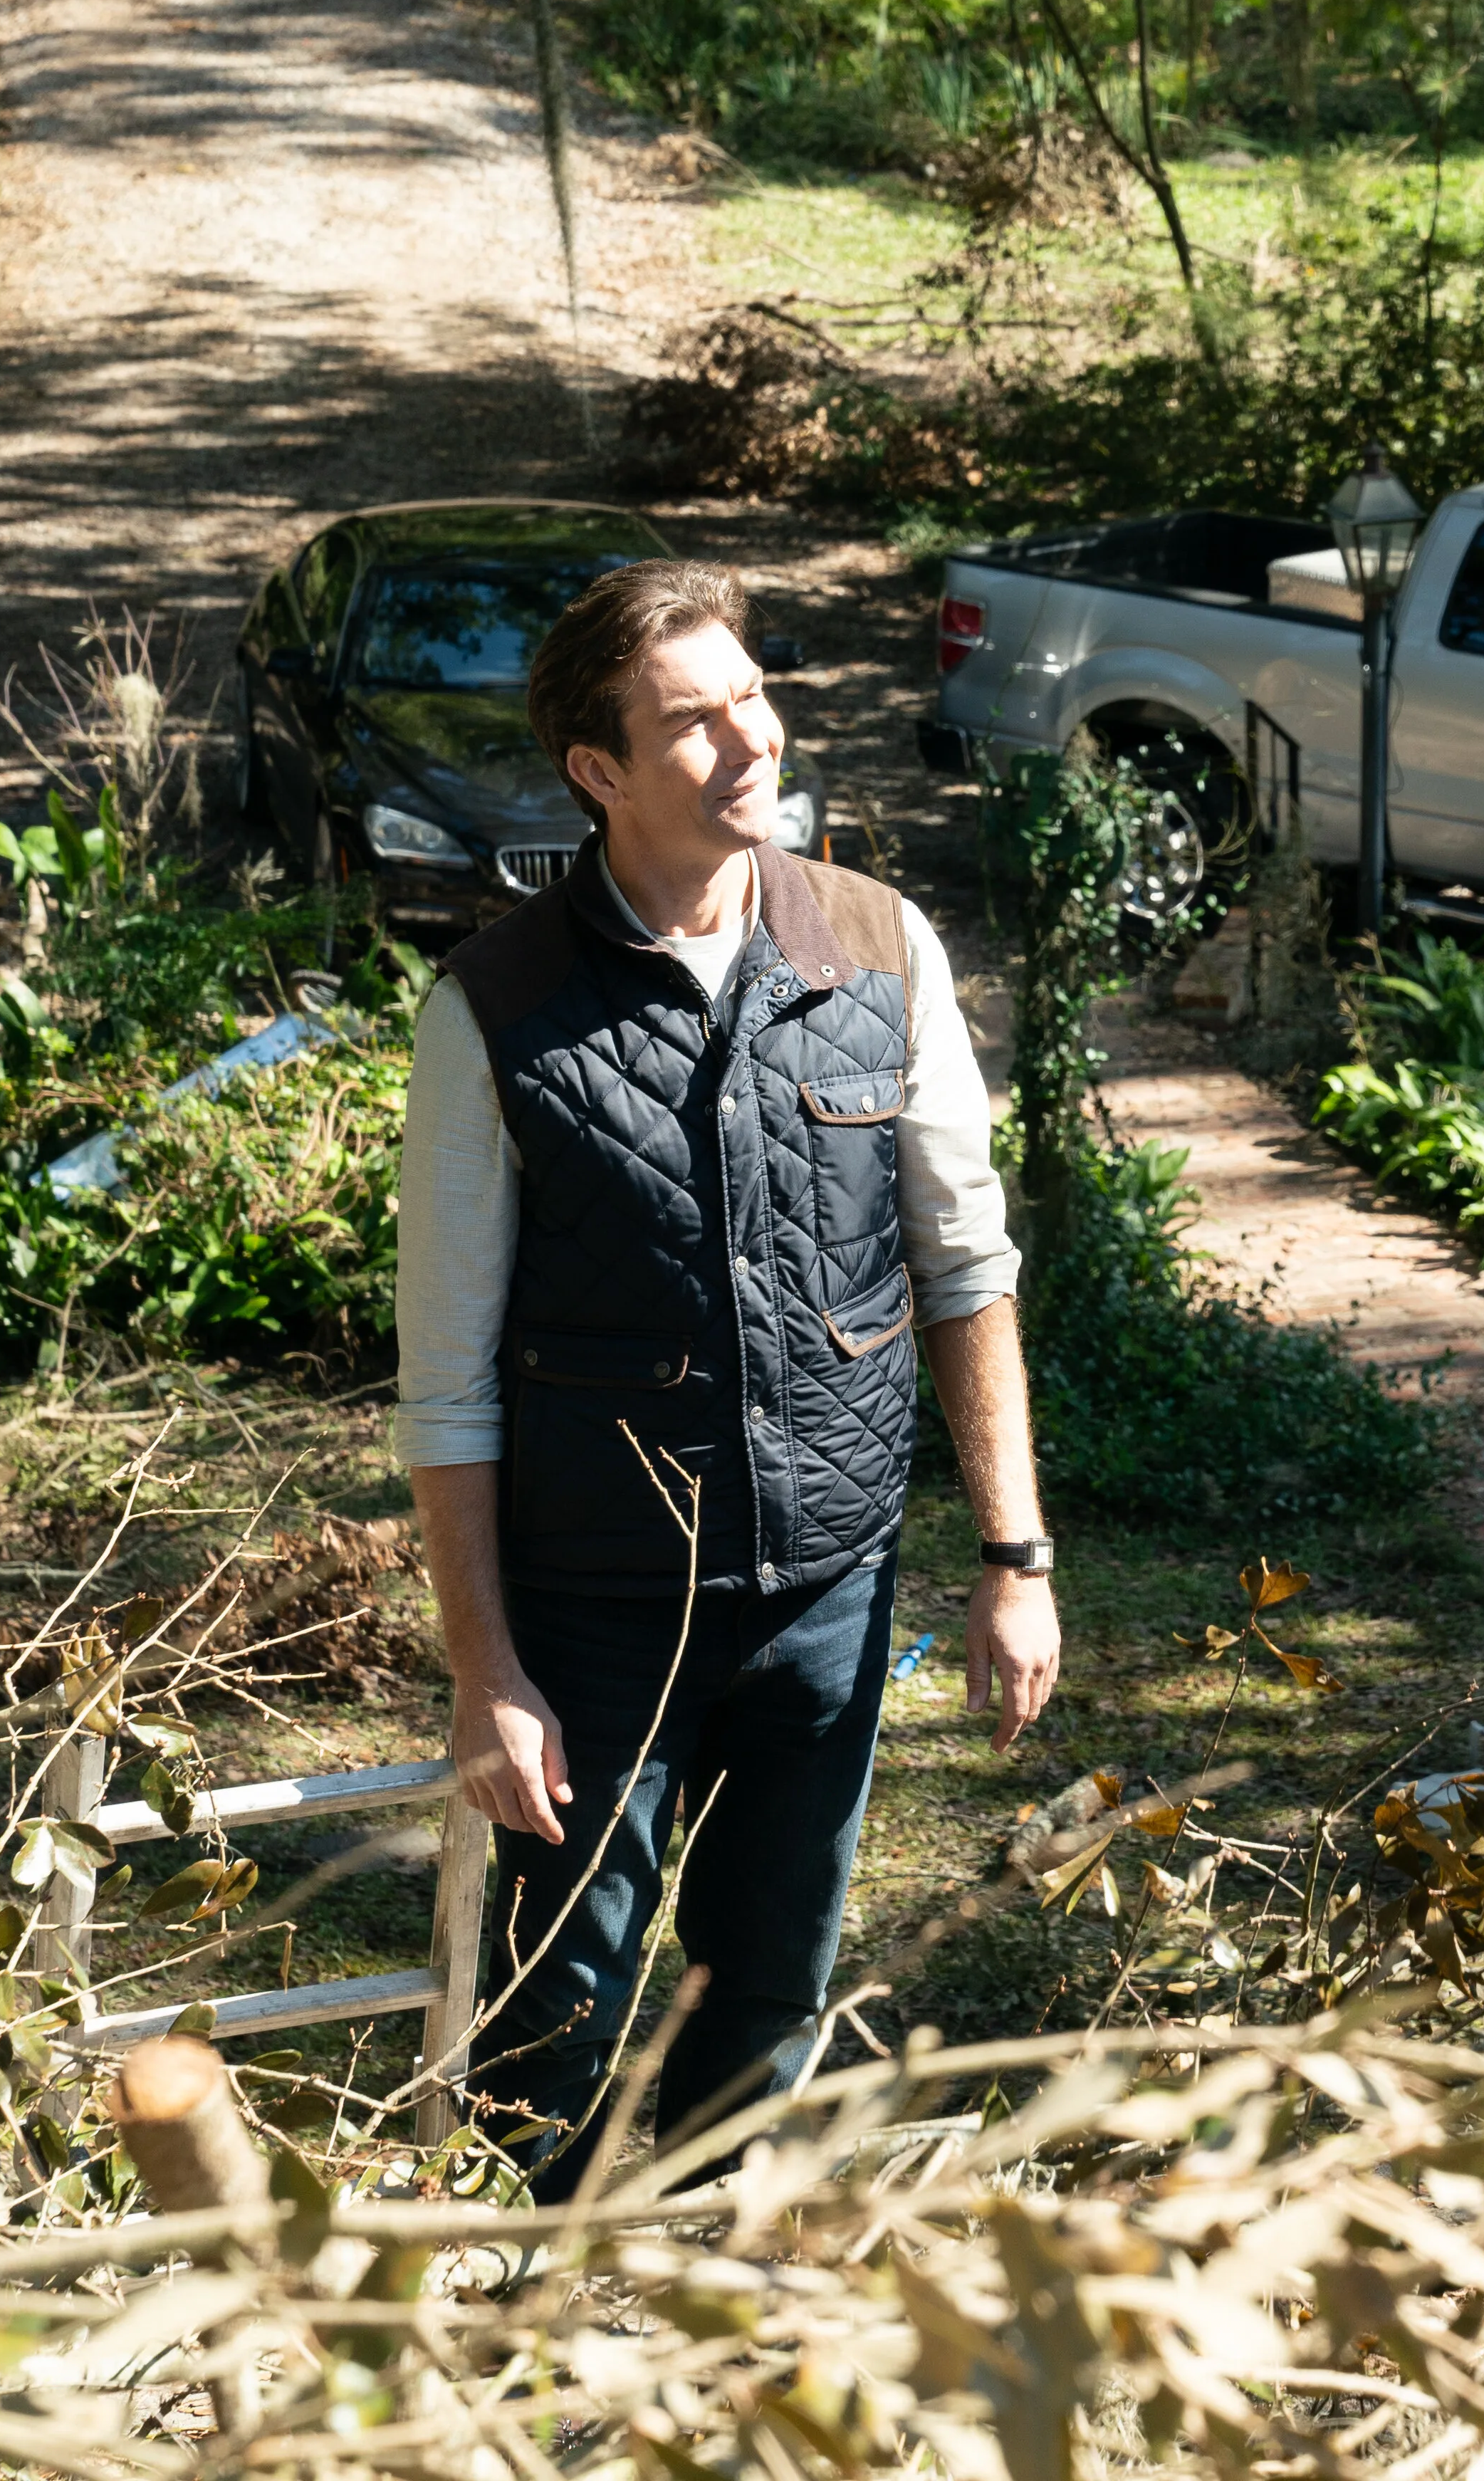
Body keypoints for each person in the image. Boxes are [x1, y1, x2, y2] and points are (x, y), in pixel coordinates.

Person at [395, 559, 1060, 2193]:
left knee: (768, 1988)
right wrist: (488, 1668)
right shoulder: (494, 1008)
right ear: (599, 772)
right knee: (554, 2006)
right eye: (692, 722)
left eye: (751, 694)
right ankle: (514, 2334)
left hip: (830, 1591)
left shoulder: (878, 947)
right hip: (599, 1601)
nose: (749, 740)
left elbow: (965, 1268)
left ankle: (682, 2292)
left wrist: (1012, 1555)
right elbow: (448, 1377)